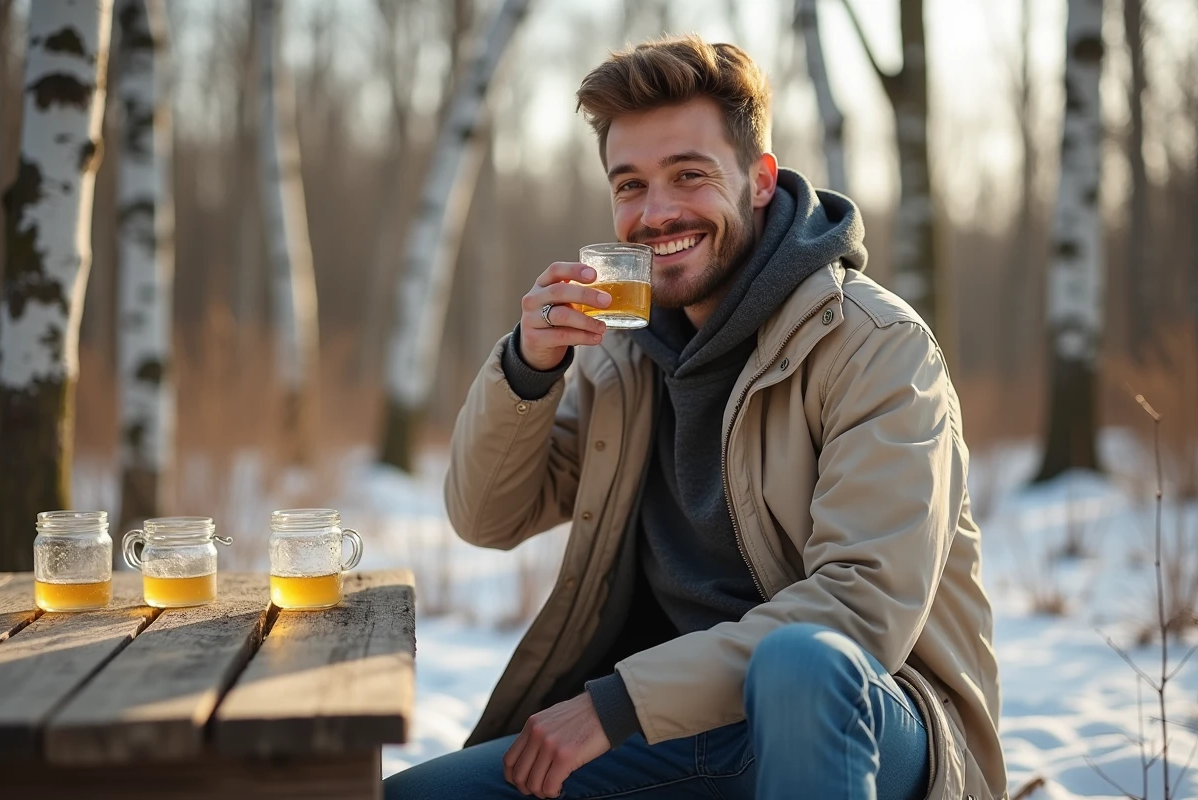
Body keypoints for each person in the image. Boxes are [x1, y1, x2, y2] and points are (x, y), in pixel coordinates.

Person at [385, 34, 1005, 800]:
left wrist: (615, 704)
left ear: (758, 180)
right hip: (675, 731)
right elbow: (487, 517)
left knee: (802, 664)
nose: (656, 212)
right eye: (630, 184)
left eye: (689, 175)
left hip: (872, 729)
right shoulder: (620, 356)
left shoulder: (875, 347)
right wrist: (526, 368)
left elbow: (859, 610)